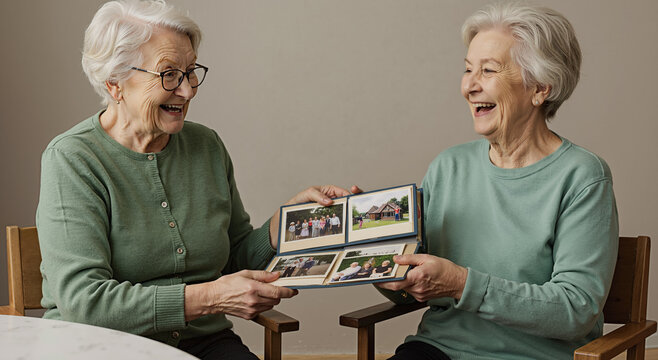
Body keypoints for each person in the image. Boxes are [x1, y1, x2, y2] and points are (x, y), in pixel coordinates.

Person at [35, 1, 361, 359]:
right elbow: (85, 303)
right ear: (115, 83)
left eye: (191, 72)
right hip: (103, 346)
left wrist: (284, 226)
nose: (188, 91)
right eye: (169, 74)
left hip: (204, 343)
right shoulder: (73, 159)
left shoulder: (206, 146)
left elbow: (233, 259)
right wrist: (209, 298)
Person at [377, 3, 618, 360]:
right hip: (438, 349)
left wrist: (462, 284)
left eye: (487, 70)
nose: (469, 86)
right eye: (467, 69)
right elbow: (415, 282)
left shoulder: (583, 177)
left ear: (539, 88)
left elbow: (575, 310)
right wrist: (387, 276)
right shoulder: (448, 167)